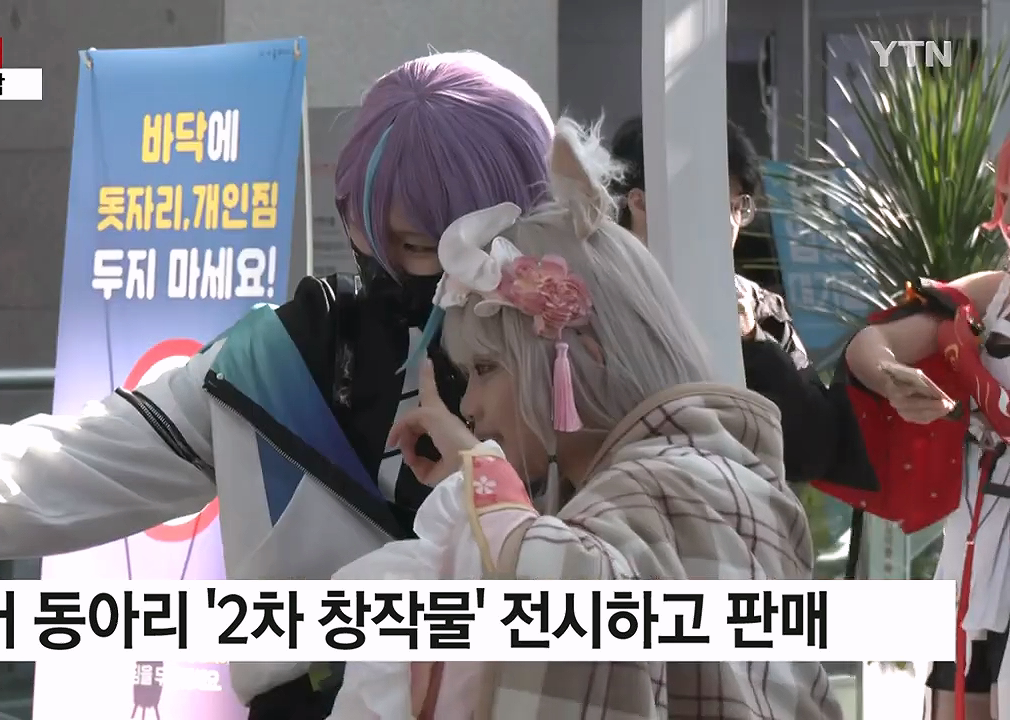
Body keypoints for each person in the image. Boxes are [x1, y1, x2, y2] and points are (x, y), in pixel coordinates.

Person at [0, 51, 555, 718]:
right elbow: (106, 449)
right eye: (371, 235)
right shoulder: (290, 353)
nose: (393, 269)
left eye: (421, 245)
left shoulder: (573, 364)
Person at [327, 117, 842, 720]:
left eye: (487, 369)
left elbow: (559, 596)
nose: (470, 405)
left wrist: (481, 487)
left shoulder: (644, 494)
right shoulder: (730, 482)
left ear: (576, 357)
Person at [839, 135, 1010, 720]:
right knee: (960, 684)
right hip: (978, 529)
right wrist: (893, 379)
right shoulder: (990, 296)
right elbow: (874, 342)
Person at [606, 116, 867, 488]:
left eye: (736, 206)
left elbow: (814, 452)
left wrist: (753, 342)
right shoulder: (588, 300)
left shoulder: (760, 308)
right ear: (640, 203)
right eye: (709, 202)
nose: (730, 223)